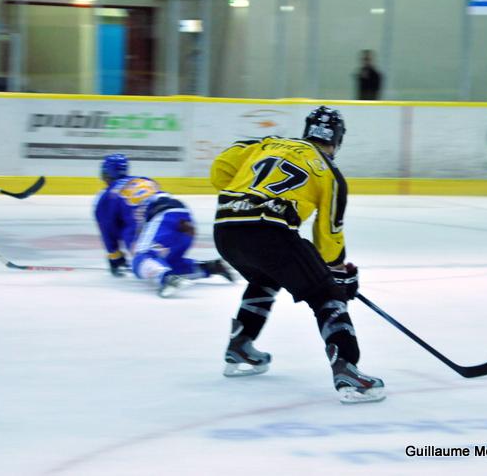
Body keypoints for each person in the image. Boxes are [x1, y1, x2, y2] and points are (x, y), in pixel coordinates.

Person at [209, 106, 385, 404]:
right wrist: (339, 275)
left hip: (226, 228)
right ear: (338, 139)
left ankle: (240, 344)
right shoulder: (329, 172)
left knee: (265, 276)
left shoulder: (265, 143)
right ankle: (347, 369)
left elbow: (220, 170)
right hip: (270, 231)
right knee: (326, 294)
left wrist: (248, 197)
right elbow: (328, 237)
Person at [94, 153, 233, 297]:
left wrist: (115, 257)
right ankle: (209, 268)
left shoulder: (108, 195)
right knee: (161, 262)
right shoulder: (143, 180)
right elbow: (136, 216)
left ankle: (167, 279)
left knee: (141, 259)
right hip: (183, 215)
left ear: (105, 174)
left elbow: (107, 228)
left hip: (161, 216)